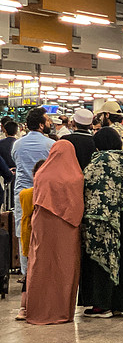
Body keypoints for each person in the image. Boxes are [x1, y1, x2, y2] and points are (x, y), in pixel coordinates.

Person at [78, 127, 123, 318]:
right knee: (121, 259)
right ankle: (119, 302)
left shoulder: (101, 160)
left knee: (101, 259)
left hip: (101, 218)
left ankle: (102, 305)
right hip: (122, 215)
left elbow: (86, 181)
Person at [25, 140, 84, 324]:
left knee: (40, 265)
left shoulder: (42, 174)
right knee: (65, 267)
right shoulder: (77, 177)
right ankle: (63, 311)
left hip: (43, 226)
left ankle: (37, 310)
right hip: (68, 229)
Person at [12, 107, 54, 277]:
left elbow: (16, 161)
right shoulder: (51, 144)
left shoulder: (17, 144)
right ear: (41, 125)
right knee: (44, 233)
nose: (50, 122)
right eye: (47, 120)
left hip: (22, 194)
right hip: (43, 194)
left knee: (24, 234)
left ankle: (26, 273)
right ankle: (42, 272)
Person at [14, 158, 44, 321]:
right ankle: (30, 307)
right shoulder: (33, 194)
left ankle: (24, 308)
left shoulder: (25, 194)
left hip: (29, 240)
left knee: (29, 274)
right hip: (38, 239)